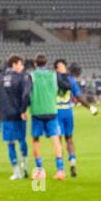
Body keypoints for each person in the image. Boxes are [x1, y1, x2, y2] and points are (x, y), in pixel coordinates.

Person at [54, 60, 98, 177]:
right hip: (68, 112)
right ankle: (72, 162)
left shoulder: (53, 80)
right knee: (69, 139)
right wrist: (90, 108)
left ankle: (60, 169)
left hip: (57, 112)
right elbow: (78, 97)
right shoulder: (71, 80)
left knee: (58, 141)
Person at [28, 54, 64, 182]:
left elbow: (27, 93)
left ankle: (39, 171)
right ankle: (60, 171)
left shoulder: (31, 76)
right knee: (56, 140)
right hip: (52, 111)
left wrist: (23, 108)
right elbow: (61, 90)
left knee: (36, 141)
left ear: (35, 63)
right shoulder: (53, 75)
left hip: (37, 112)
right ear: (46, 63)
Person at [0, 54, 31, 180]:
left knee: (10, 144)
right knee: (22, 139)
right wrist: (23, 110)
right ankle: (25, 165)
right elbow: (26, 95)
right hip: (19, 115)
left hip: (5, 116)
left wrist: (1, 112)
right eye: (21, 64)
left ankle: (16, 172)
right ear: (14, 64)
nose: (22, 67)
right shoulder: (23, 77)